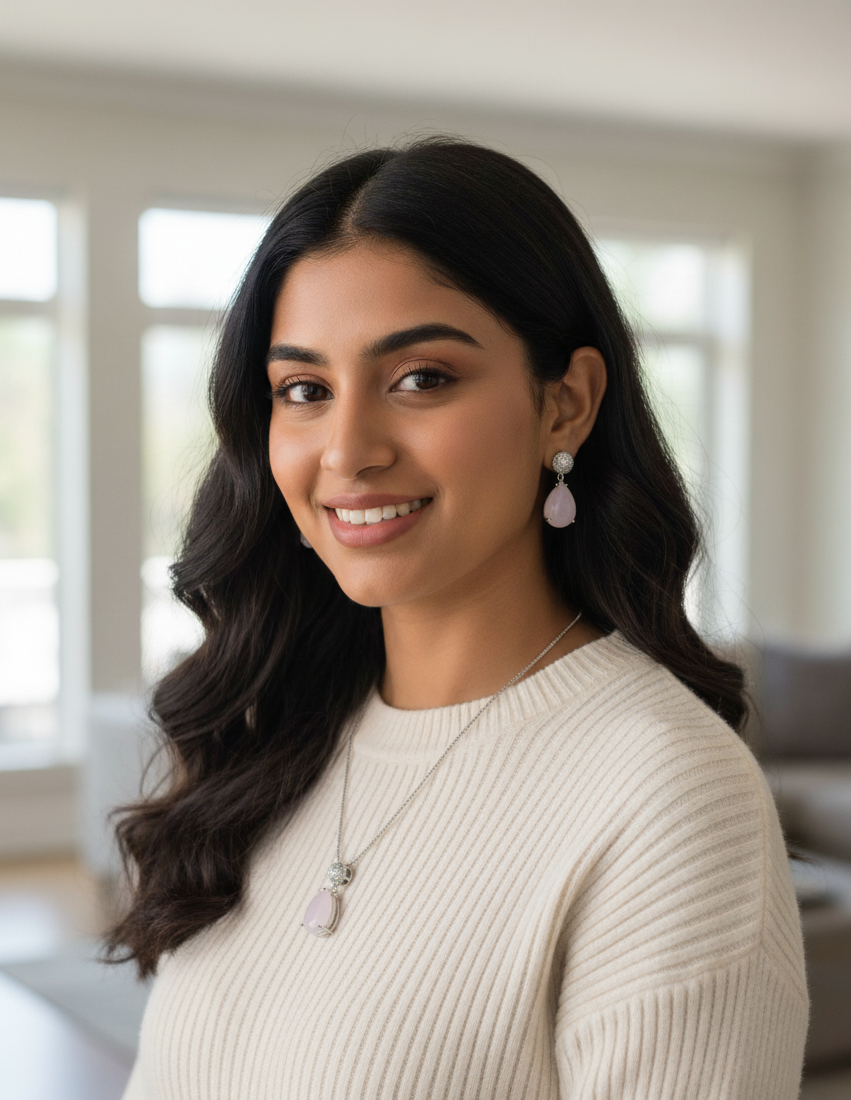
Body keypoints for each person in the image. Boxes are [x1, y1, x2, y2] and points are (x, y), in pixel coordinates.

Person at [111, 138, 808, 1099]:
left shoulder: (669, 794)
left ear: (565, 405)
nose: (347, 452)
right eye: (304, 390)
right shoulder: (274, 735)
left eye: (421, 379)